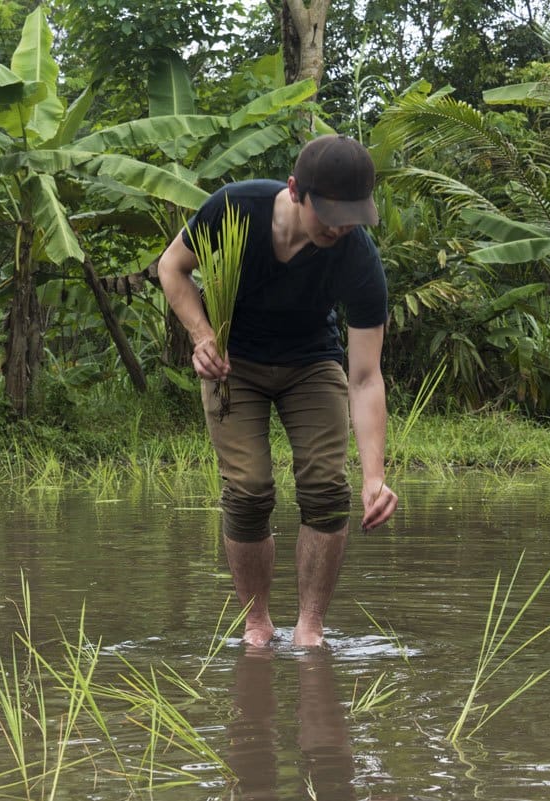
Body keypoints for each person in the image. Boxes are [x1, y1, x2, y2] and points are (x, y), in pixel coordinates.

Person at [157, 134, 399, 648]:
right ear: (295, 191)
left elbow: (364, 376)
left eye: (352, 215)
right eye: (329, 212)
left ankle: (309, 631)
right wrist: (203, 337)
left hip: (312, 364)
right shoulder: (234, 208)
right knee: (247, 490)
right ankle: (258, 625)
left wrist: (374, 477)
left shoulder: (357, 256)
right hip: (234, 365)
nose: (339, 225)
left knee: (327, 491)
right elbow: (171, 267)